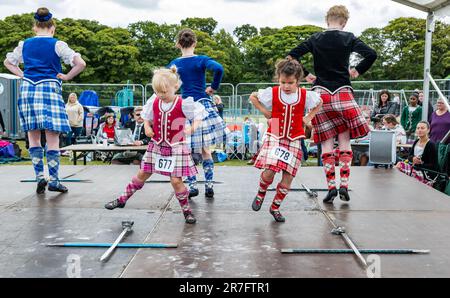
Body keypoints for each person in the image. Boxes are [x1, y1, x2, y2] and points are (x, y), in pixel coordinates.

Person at [287, 5, 377, 203]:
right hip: (343, 92)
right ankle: (344, 185)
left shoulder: (315, 38)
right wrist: (357, 70)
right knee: (344, 140)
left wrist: (308, 74)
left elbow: (291, 55)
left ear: (327, 20)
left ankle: (331, 188)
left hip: (321, 94)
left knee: (326, 142)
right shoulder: (349, 37)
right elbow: (371, 54)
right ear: (344, 22)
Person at [104, 67, 207, 224]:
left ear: (175, 87)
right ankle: (123, 199)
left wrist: (191, 128)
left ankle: (187, 211)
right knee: (142, 174)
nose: (161, 95)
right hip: (157, 145)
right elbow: (146, 116)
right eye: (158, 91)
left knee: (176, 181)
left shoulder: (183, 103)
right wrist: (147, 126)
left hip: (176, 145)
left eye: (164, 92)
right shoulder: (154, 101)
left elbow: (199, 115)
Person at [3, 7, 85, 194]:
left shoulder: (25, 44)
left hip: (28, 90)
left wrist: (22, 74)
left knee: (33, 137)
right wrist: (66, 76)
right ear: (52, 28)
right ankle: (54, 180)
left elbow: (8, 62)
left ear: (35, 27)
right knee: (52, 138)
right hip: (49, 88)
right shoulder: (58, 44)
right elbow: (80, 63)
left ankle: (40, 177)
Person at [249, 59, 322, 222]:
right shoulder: (273, 92)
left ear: (298, 81)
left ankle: (275, 207)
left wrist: (308, 117)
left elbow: (320, 102)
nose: (286, 86)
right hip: (275, 132)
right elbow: (253, 97)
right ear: (278, 79)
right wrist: (265, 112)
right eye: (283, 82)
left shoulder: (305, 95)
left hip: (295, 136)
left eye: (290, 83)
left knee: (288, 177)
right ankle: (261, 193)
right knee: (270, 171)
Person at [168, 28, 226, 199]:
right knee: (205, 149)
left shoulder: (174, 63)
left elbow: (164, 80)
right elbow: (219, 68)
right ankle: (209, 185)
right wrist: (214, 87)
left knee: (187, 149)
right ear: (195, 43)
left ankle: (192, 185)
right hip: (202, 104)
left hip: (184, 107)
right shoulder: (201, 60)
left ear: (178, 44)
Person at [396, 121, 437, 185]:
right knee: (399, 164)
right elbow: (409, 156)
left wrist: (419, 163)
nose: (419, 130)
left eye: (422, 128)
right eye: (418, 128)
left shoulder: (431, 144)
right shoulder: (416, 141)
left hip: (426, 174)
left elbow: (433, 165)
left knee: (400, 166)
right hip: (416, 169)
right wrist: (413, 159)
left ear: (428, 130)